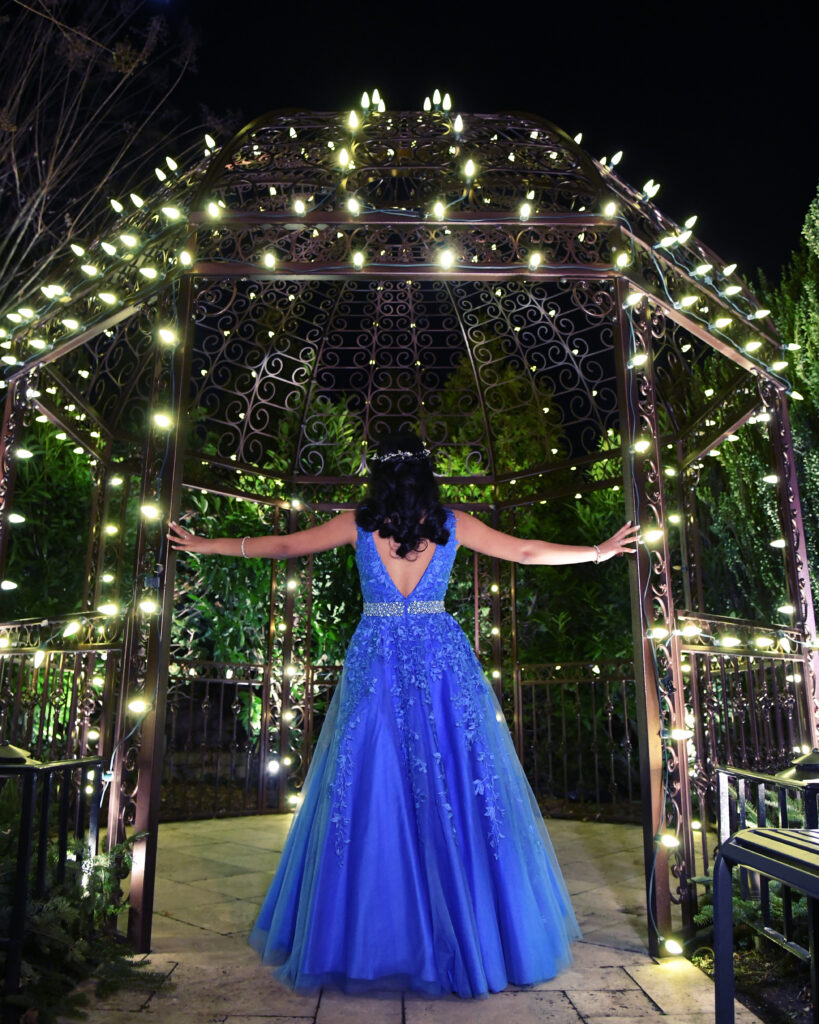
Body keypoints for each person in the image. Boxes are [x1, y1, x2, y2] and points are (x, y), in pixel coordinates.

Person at [168, 432, 639, 998]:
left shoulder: (360, 523)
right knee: (456, 781)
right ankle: (470, 928)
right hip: (440, 657)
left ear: (379, 477)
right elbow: (527, 551)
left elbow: (287, 547)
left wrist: (209, 544)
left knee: (370, 779)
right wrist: (598, 551)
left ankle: (368, 929)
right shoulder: (451, 523)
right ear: (426, 475)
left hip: (378, 655)